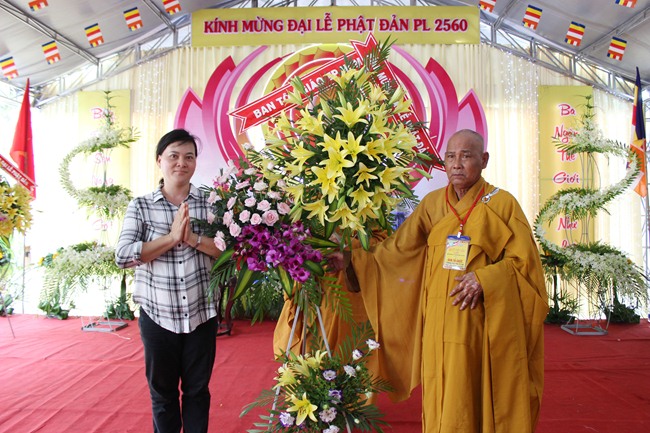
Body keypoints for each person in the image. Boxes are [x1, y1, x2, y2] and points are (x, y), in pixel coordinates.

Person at [330, 129, 548, 433]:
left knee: (472, 387)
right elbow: (396, 251)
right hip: (437, 318)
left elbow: (526, 266)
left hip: (479, 320)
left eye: (466, 156)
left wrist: (485, 278)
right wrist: (353, 259)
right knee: (441, 389)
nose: (457, 163)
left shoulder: (502, 204)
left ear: (484, 160)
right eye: (450, 156)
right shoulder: (432, 204)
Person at [115, 128, 222, 433]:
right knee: (163, 395)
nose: (181, 163)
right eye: (173, 156)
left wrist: (192, 239)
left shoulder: (211, 204)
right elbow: (123, 255)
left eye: (189, 157)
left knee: (197, 392)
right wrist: (171, 238)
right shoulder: (141, 206)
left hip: (201, 314)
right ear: (159, 160)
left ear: (196, 162)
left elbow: (228, 250)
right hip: (158, 316)